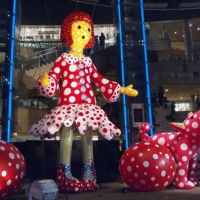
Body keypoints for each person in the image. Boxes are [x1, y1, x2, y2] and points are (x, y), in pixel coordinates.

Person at [29, 11, 138, 193]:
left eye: (87, 29)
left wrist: (121, 89)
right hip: (68, 106)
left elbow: (99, 79)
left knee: (87, 134)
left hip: (88, 106)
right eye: (78, 27)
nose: (83, 31)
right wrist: (46, 81)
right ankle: (65, 170)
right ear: (68, 32)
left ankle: (89, 170)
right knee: (67, 131)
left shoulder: (88, 61)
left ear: (90, 35)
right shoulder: (63, 59)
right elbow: (54, 76)